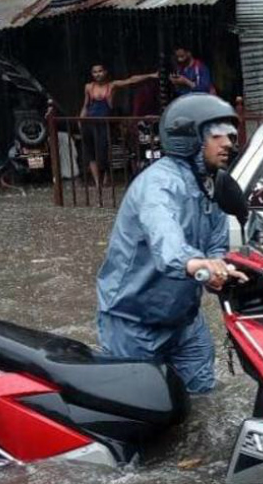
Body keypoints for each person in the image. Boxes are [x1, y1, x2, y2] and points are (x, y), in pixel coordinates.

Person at [96, 94, 247, 394]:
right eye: (217, 135)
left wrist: (220, 269)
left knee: (204, 399)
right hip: (133, 324)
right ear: (189, 139)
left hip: (185, 322)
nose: (228, 143)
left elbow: (217, 243)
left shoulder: (212, 185)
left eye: (230, 135)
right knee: (137, 409)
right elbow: (165, 239)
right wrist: (195, 263)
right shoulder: (158, 184)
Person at [81, 64, 157, 188]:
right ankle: (97, 183)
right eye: (95, 72)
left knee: (103, 152)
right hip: (90, 123)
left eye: (100, 71)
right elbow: (85, 106)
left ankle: (106, 178)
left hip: (104, 124)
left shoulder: (112, 86)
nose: (98, 74)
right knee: (91, 153)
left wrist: (151, 75)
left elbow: (131, 80)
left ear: (105, 72)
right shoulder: (89, 87)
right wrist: (80, 121)